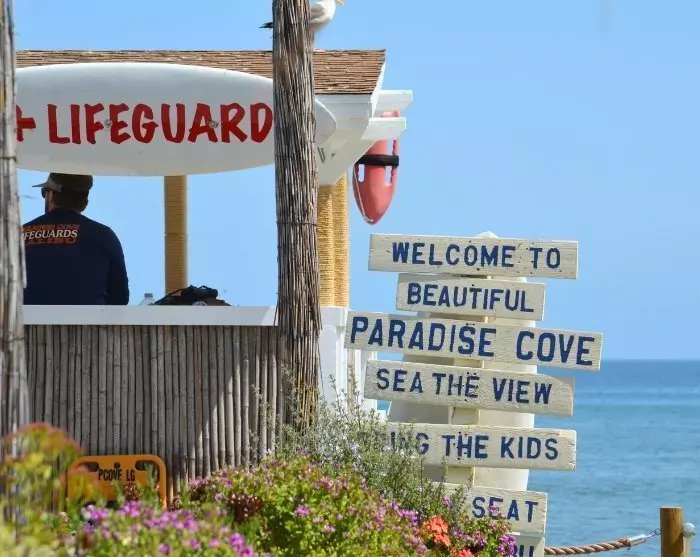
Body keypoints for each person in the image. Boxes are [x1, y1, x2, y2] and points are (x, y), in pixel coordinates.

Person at [23, 173, 130, 305]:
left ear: (50, 195)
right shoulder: (104, 237)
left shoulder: (18, 235)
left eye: (44, 192)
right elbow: (120, 298)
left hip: (24, 318)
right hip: (88, 318)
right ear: (85, 201)